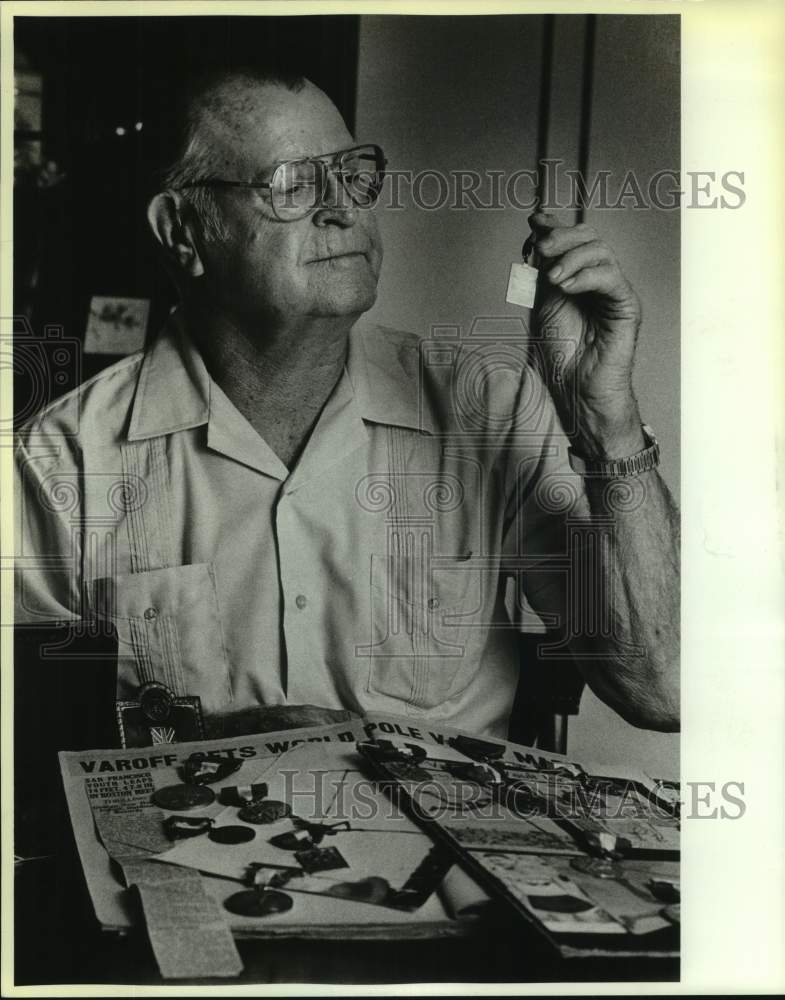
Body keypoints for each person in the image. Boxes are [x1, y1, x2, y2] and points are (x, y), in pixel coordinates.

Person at [14, 68, 679, 741]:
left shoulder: (487, 410)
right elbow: (26, 756)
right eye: (292, 183)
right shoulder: (65, 460)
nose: (343, 208)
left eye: (353, 173)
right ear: (184, 231)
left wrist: (607, 421)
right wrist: (235, 743)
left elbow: (663, 690)